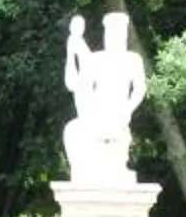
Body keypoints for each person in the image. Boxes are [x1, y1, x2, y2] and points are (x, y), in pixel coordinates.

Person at [62, 9, 145, 182]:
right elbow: (76, 84)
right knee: (73, 131)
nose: (113, 36)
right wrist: (71, 52)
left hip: (119, 111)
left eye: (117, 32)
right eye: (110, 32)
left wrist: (128, 109)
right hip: (97, 111)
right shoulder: (96, 59)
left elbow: (139, 89)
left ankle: (113, 163)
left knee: (112, 135)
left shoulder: (133, 59)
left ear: (123, 34)